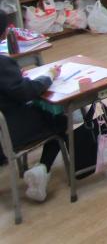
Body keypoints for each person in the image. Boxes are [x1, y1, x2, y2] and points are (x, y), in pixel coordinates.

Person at [0, 13, 67, 202]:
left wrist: (15, 77)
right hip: (12, 131)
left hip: (4, 128)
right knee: (61, 119)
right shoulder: (3, 63)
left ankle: (40, 170)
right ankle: (43, 168)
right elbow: (26, 92)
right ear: (5, 33)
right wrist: (49, 76)